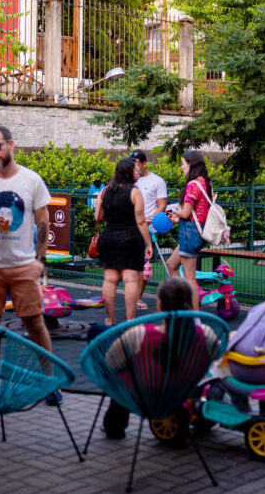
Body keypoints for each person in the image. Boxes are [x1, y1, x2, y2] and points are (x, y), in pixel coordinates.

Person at [0, 126, 54, 359]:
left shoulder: (31, 180)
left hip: (23, 264)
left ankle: (51, 380)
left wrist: (40, 260)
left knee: (34, 322)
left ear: (11, 145)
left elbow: (43, 222)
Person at [101, 277, 220, 439]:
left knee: (122, 375)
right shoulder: (206, 335)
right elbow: (213, 359)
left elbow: (110, 364)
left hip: (145, 396)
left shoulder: (139, 335)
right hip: (184, 390)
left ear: (160, 305)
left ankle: (115, 427)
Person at [95, 158, 153, 326]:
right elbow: (141, 221)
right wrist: (148, 244)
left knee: (110, 279)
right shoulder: (134, 192)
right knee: (130, 280)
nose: (138, 172)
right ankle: (129, 321)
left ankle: (110, 319)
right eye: (135, 170)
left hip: (109, 237)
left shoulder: (105, 191)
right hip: (131, 238)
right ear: (128, 172)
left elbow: (98, 216)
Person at [165, 151, 214, 309]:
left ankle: (194, 317)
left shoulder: (193, 184)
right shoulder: (205, 182)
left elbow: (186, 212)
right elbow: (197, 211)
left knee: (189, 278)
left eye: (183, 163)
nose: (181, 167)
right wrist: (180, 216)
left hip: (189, 233)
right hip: (198, 232)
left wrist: (175, 212)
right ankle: (183, 302)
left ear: (191, 164)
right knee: (171, 265)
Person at [131, 150, 168, 310]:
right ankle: (130, 295)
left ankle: (138, 297)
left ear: (144, 164)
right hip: (130, 226)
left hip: (148, 228)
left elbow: (162, 205)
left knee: (143, 265)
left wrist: (150, 218)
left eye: (136, 164)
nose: (134, 167)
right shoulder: (130, 180)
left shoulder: (157, 181)